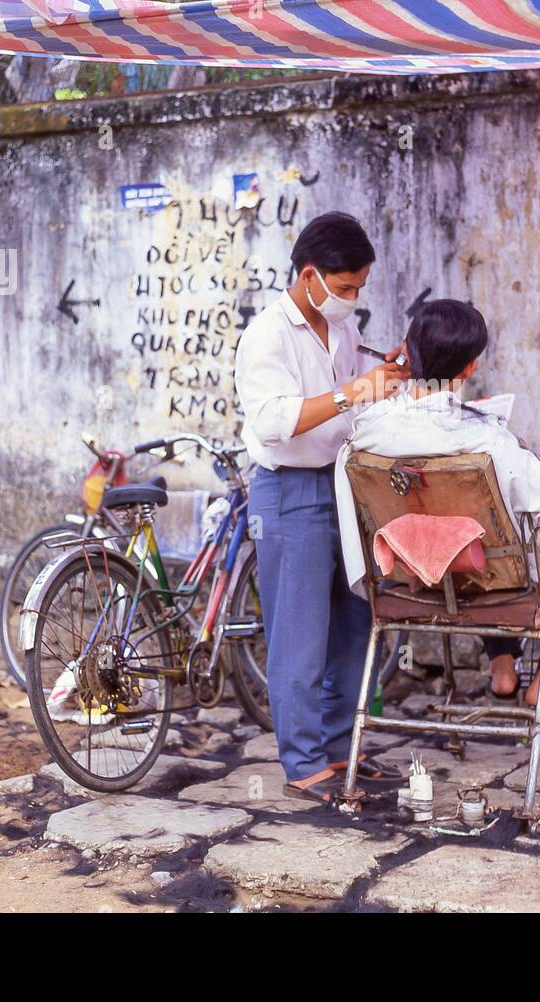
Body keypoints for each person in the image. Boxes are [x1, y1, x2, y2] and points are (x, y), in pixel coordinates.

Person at [334, 299, 540, 706]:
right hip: (491, 575)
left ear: (407, 354)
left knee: (481, 539)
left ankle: (502, 665)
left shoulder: (366, 432)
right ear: (469, 367)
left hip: (412, 574)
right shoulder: (487, 439)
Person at [234, 212, 411, 803]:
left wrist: (385, 377)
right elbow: (273, 421)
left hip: (341, 485)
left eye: (359, 288)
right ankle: (303, 762)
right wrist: (351, 391)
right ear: (309, 275)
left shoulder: (342, 329)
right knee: (300, 635)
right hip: (289, 491)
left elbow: (356, 403)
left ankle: (338, 749)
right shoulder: (267, 335)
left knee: (354, 625)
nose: (352, 298)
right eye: (344, 287)